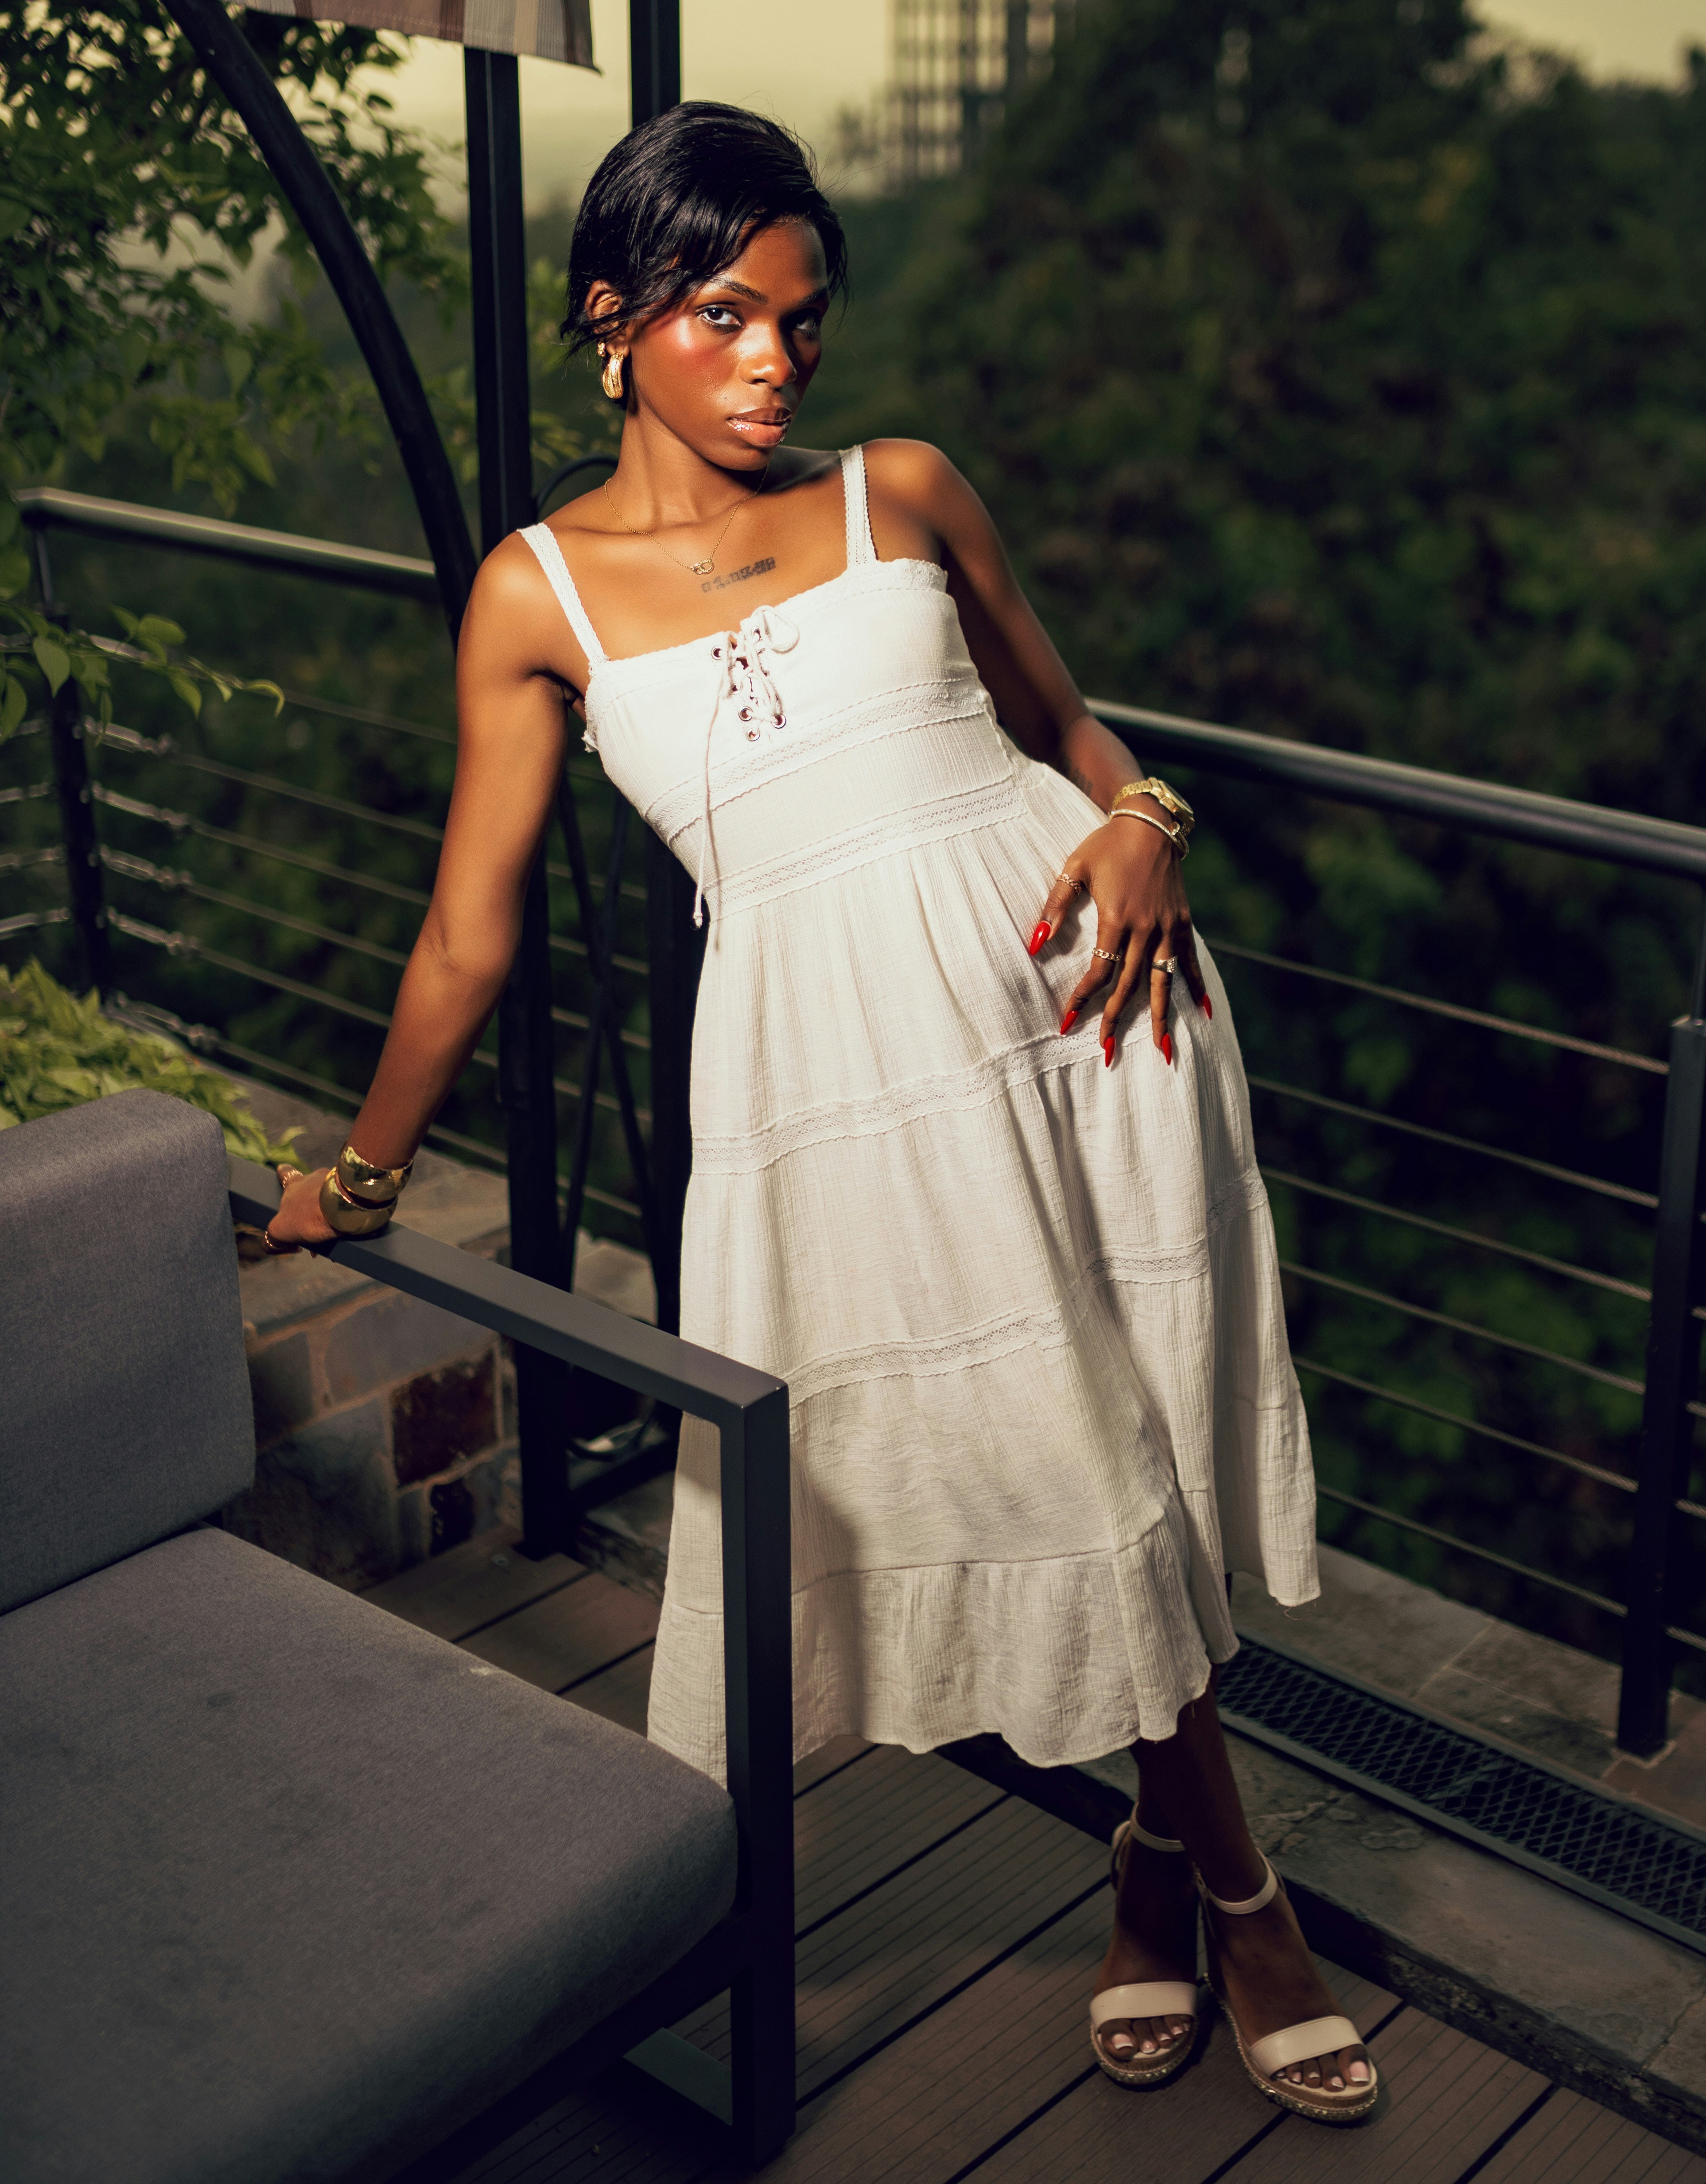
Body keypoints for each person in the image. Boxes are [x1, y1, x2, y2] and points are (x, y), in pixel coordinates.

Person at [264, 102, 1377, 2122]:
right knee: (1063, 1447)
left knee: (1114, 1430)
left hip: (1089, 1013)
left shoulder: (906, 489)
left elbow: (1066, 721)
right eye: (724, 313)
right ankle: (1216, 1877)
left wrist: (1143, 818)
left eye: (799, 315)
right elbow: (463, 932)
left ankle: (1191, 1879)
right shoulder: (537, 596)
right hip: (848, 1087)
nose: (778, 356)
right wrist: (357, 1169)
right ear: (613, 320)